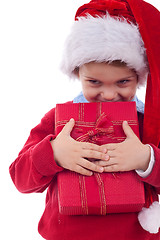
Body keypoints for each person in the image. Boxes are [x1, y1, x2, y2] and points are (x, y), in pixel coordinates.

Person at [9, 0, 160, 239]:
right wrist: (53, 153)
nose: (109, 94)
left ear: (139, 77)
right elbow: (20, 179)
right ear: (78, 73)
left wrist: (146, 159)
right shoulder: (58, 119)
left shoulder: (150, 122)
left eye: (123, 82)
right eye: (94, 82)